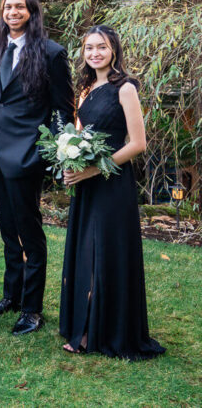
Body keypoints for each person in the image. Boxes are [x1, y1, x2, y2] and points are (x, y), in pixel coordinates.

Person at [58, 26, 165, 359]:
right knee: (84, 250)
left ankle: (99, 330)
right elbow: (80, 134)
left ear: (114, 50)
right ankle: (83, 322)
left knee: (103, 251)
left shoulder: (126, 88)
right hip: (87, 182)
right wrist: (70, 161)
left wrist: (94, 169)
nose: (95, 53)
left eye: (101, 47)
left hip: (112, 181)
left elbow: (138, 143)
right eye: (89, 48)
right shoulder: (86, 88)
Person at [0, 0, 74, 336]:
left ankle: (32, 309)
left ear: (32, 12)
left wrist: (49, 151)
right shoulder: (0, 48)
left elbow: (63, 109)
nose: (12, 12)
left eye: (19, 7)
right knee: (8, 233)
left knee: (30, 235)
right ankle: (12, 296)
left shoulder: (52, 53)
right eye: (7, 7)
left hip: (27, 155)